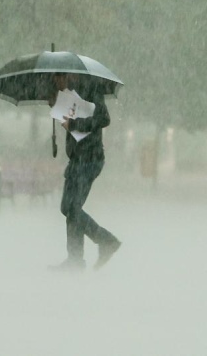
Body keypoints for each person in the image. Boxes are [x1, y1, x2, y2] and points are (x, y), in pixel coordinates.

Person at [49, 73, 121, 271]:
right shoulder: (66, 95)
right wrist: (56, 108)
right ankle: (77, 258)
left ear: (69, 74)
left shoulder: (91, 89)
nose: (57, 82)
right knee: (68, 208)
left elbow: (103, 119)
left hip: (90, 159)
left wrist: (73, 124)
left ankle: (102, 242)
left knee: (72, 208)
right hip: (77, 159)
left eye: (58, 78)